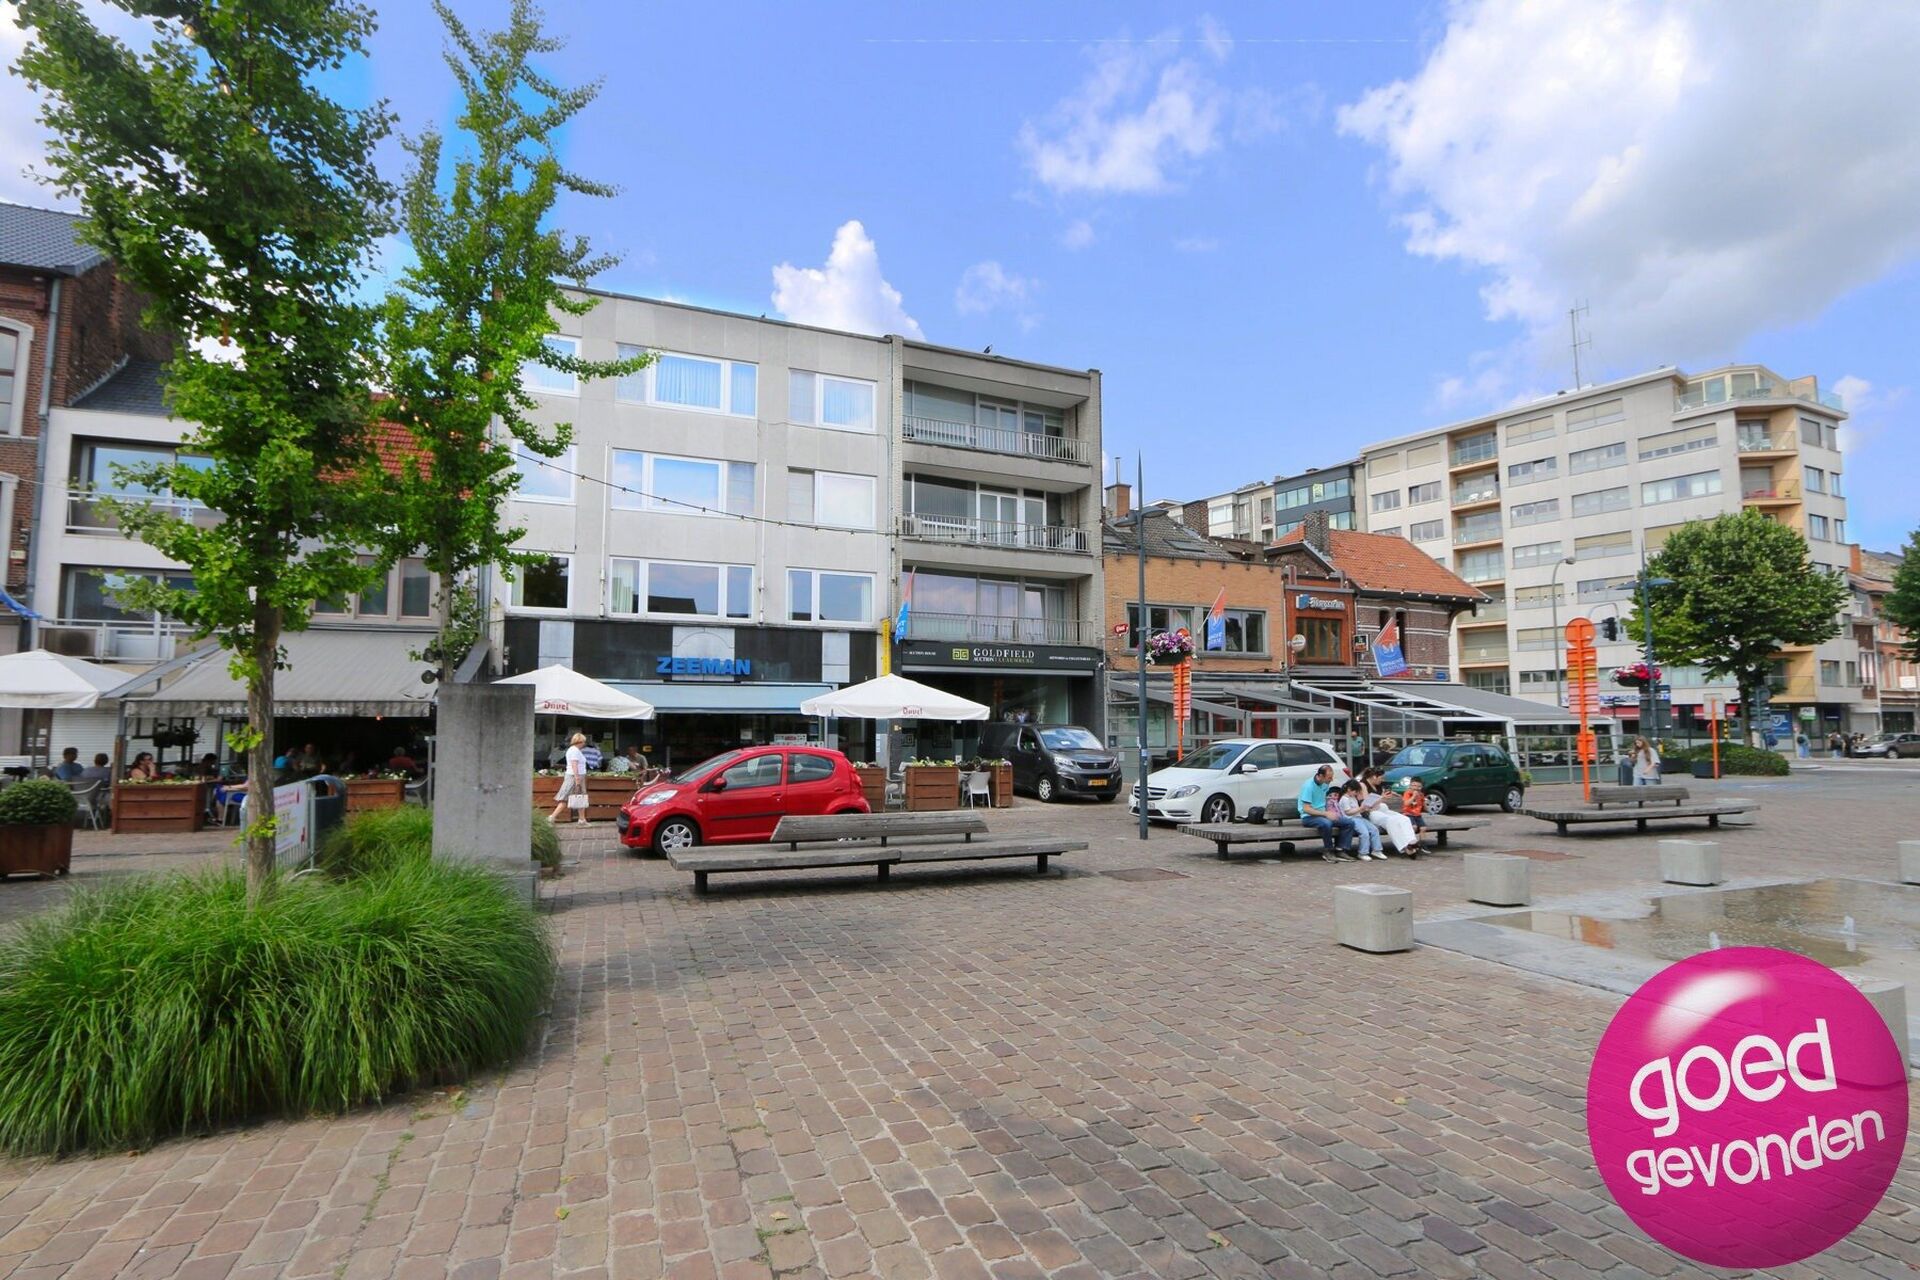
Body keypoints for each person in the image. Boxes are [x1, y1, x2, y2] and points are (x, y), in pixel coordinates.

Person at [1298, 764, 1355, 863]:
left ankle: (1341, 850)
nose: (1331, 780)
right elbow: (1306, 809)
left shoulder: (1325, 783)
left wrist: (1330, 809)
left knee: (1349, 823)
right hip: (1308, 817)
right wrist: (1326, 814)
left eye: (1332, 777)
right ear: (1320, 776)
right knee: (1326, 823)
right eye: (1329, 778)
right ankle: (1328, 851)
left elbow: (1320, 799)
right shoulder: (1308, 786)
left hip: (1322, 814)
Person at [1360, 768, 1422, 857]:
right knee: (1390, 821)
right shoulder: (1363, 785)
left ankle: (1412, 842)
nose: (1382, 780)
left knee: (1404, 819)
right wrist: (1382, 797)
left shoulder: (1378, 785)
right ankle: (1405, 847)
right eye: (1381, 778)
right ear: (1374, 777)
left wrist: (1393, 793)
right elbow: (1367, 804)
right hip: (1370, 812)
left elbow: (1381, 795)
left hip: (1382, 809)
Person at [548, 731, 590, 826]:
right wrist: (577, 778)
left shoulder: (574, 750)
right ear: (579, 741)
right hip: (574, 776)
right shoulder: (574, 751)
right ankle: (552, 817)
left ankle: (582, 819)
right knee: (565, 799)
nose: (584, 743)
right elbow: (574, 765)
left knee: (581, 797)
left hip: (577, 776)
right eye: (583, 741)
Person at [1339, 782, 1385, 861]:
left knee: (1374, 829)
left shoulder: (1353, 797)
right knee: (1364, 833)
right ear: (1349, 790)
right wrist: (1361, 808)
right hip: (1351, 819)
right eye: (1356, 791)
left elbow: (1358, 810)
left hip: (1359, 817)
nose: (1357, 793)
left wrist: (1364, 808)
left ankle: (1377, 850)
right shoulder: (1344, 799)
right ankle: (1363, 853)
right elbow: (1348, 812)